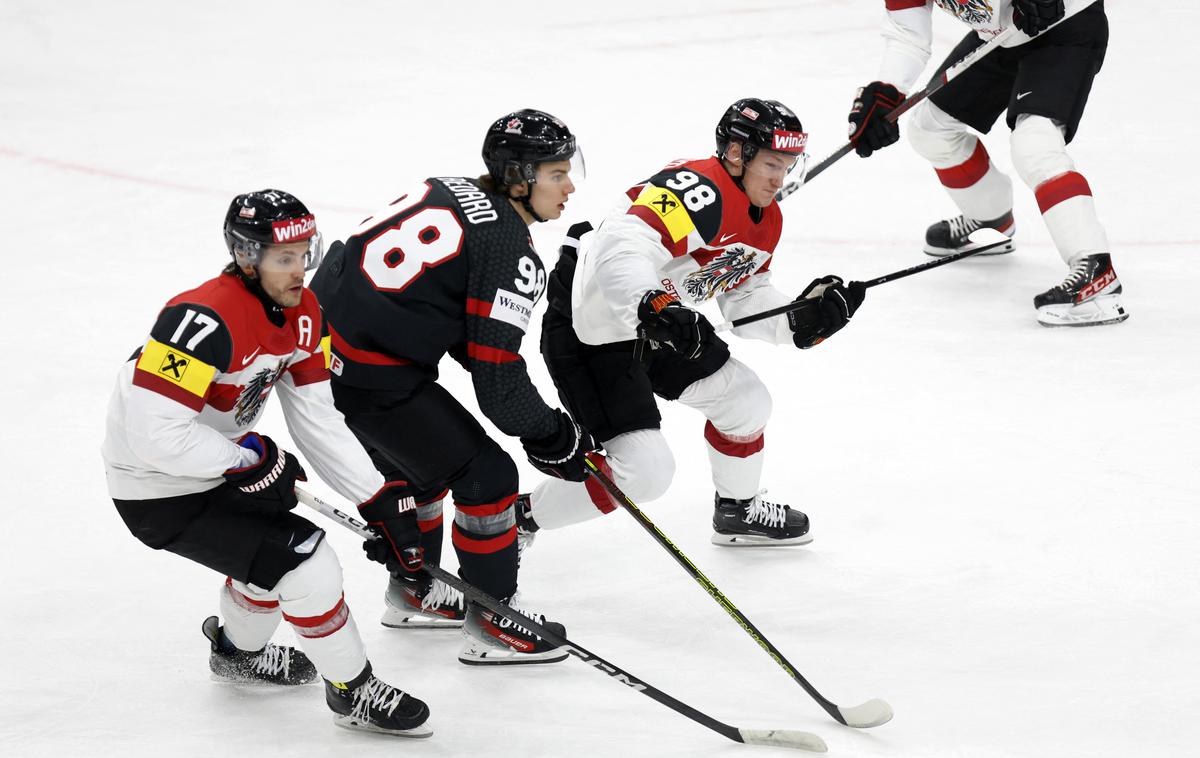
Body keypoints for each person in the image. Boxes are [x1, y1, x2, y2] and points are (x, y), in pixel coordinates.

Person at [101, 189, 430, 737]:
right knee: (307, 565)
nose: (301, 269)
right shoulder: (200, 318)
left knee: (270, 563)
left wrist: (376, 499)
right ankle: (353, 690)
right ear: (246, 257)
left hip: (213, 467)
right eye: (285, 258)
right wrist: (247, 458)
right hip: (155, 487)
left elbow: (317, 418)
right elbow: (153, 436)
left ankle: (235, 653)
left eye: (305, 253)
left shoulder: (305, 313)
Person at [515, 98, 864, 548]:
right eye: (772, 164)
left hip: (662, 323)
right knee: (644, 472)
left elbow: (744, 299)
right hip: (593, 327)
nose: (780, 179)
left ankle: (737, 510)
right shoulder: (698, 189)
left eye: (789, 165)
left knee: (746, 402)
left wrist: (800, 317)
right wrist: (653, 304)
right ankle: (519, 518)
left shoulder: (766, 218)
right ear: (737, 154)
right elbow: (623, 244)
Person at [309, 109, 592, 664]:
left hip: (321, 352)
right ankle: (496, 619)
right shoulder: (511, 249)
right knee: (488, 476)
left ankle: (417, 591)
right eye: (557, 173)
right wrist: (555, 437)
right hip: (372, 375)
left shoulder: (448, 187)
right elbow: (499, 387)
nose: (570, 185)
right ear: (520, 176)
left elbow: (445, 313)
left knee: (418, 465)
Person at [848, 0, 1126, 327]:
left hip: (1064, 24)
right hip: (1002, 36)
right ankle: (991, 218)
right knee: (930, 129)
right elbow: (908, 33)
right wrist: (887, 91)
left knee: (1034, 143)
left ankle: (1096, 271)